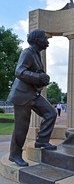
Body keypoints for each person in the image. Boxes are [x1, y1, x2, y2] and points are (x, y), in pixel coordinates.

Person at [7, 29, 57, 167]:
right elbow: (19, 71)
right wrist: (39, 77)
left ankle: (42, 141)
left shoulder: (36, 54)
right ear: (38, 40)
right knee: (21, 127)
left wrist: (42, 80)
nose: (47, 41)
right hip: (22, 95)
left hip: (33, 94)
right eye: (45, 38)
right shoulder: (27, 52)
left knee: (51, 113)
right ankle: (15, 155)